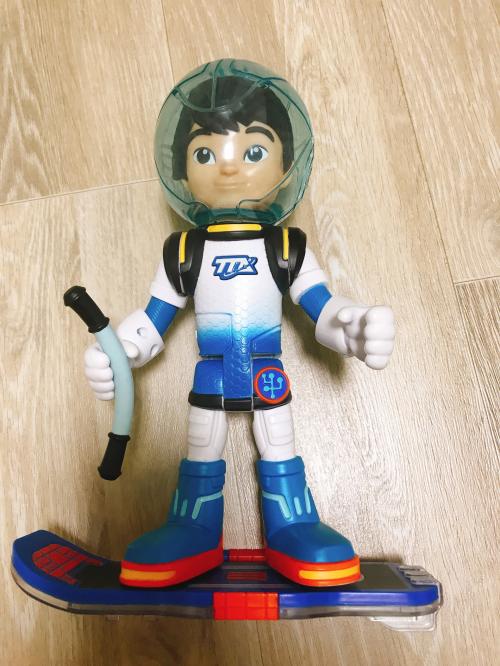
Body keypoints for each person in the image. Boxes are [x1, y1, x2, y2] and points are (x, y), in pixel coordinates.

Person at [84, 59, 395, 588]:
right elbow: (153, 322)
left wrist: (352, 327)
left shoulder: (286, 246)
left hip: (267, 371)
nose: (228, 169)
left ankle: (293, 525)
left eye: (254, 151)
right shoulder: (184, 251)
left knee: (279, 443)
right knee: (201, 445)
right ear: (182, 170)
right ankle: (192, 529)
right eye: (205, 153)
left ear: (286, 163)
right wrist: (119, 351)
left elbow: (321, 307)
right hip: (211, 371)